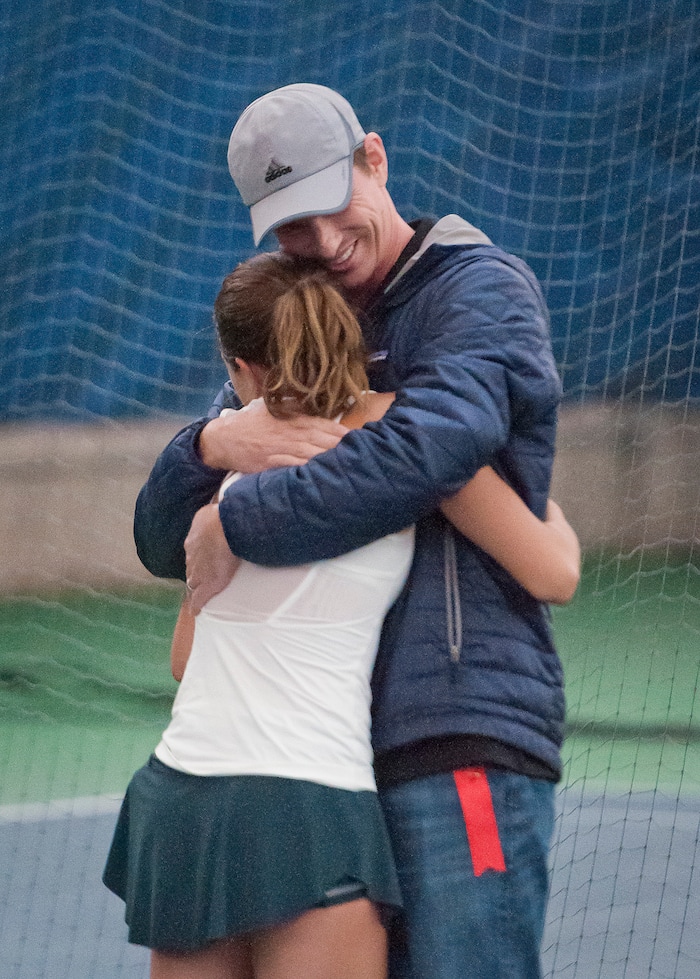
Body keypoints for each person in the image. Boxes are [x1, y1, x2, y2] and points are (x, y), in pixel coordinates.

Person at [133, 84, 570, 979]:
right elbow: (157, 537)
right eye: (295, 228)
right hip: (332, 761)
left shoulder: (478, 288)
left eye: (334, 207)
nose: (326, 245)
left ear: (375, 157)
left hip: (455, 734)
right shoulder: (299, 329)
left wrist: (235, 518)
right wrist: (209, 442)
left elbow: (427, 453)